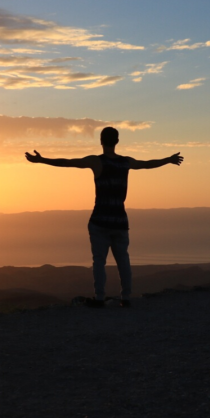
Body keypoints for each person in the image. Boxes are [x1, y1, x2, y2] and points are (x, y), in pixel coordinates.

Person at [25, 127, 183, 308]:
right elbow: (147, 164)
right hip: (120, 221)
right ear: (117, 141)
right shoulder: (126, 162)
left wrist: (42, 160)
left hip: (99, 220)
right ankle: (126, 298)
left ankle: (99, 298)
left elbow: (68, 162)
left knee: (99, 261)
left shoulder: (96, 161)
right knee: (123, 260)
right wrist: (168, 160)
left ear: (101, 141)